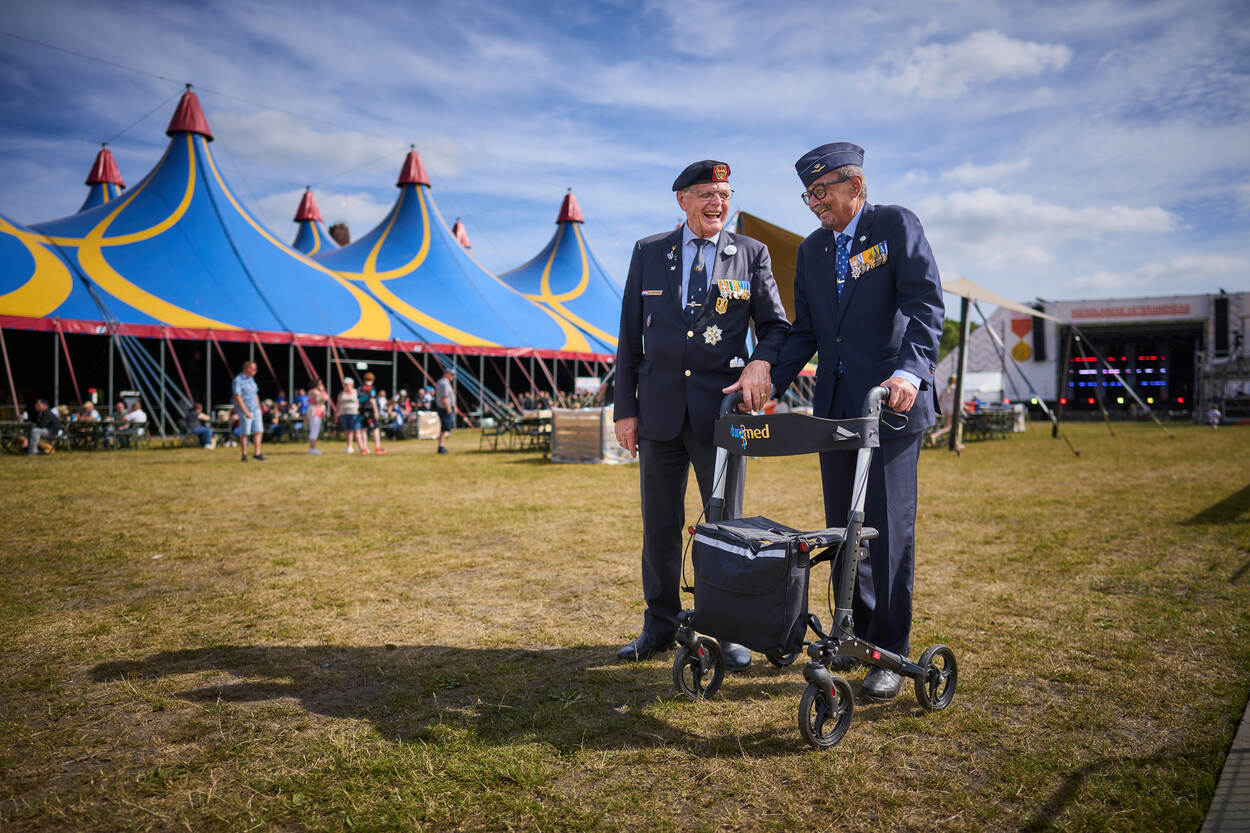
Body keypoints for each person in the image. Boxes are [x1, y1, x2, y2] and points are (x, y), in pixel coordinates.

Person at [765, 142, 944, 701]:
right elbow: (806, 332)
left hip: (888, 405)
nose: (814, 203)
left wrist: (911, 373)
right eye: (808, 194)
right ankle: (856, 636)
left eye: (822, 191)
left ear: (855, 186)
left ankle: (889, 652)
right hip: (837, 410)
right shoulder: (815, 249)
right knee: (847, 531)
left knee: (888, 534)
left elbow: (925, 303)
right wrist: (765, 379)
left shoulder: (894, 224)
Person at [613, 159, 790, 671]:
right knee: (659, 527)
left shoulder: (751, 254)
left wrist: (761, 361)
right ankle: (659, 625)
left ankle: (727, 629)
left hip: (722, 416)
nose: (718, 204)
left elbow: (775, 327)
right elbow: (628, 336)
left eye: (725, 194)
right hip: (659, 414)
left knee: (726, 527)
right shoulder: (649, 252)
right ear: (682, 200)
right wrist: (626, 410)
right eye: (708, 194)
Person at [233, 360, 265, 462]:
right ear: (247, 369)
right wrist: (245, 411)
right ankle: (244, 455)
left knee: (258, 431)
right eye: (253, 368)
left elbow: (255, 394)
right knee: (245, 432)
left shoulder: (251, 379)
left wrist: (259, 407)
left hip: (255, 409)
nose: (255, 370)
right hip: (246, 410)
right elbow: (238, 397)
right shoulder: (238, 380)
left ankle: (257, 453)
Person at [358, 372, 386, 455]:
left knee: (363, 429)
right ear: (373, 380)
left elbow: (359, 400)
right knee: (375, 429)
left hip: (362, 411)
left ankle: (364, 448)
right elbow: (373, 401)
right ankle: (377, 448)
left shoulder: (360, 388)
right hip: (370, 411)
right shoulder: (371, 389)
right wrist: (376, 412)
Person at [306, 379, 331, 454]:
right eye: (320, 384)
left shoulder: (312, 391)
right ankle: (312, 448)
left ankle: (312, 448)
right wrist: (322, 390)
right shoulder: (314, 391)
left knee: (314, 430)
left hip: (314, 412)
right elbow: (325, 398)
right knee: (314, 431)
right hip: (315, 413)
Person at [435, 367, 456, 454]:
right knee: (444, 428)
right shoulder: (444, 383)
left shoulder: (445, 383)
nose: (453, 376)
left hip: (445, 408)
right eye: (451, 374)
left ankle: (441, 446)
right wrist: (449, 410)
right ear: (447, 374)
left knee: (445, 428)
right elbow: (444, 398)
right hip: (444, 409)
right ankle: (441, 446)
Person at [338, 377, 361, 453]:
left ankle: (361, 447)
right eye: (344, 384)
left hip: (354, 413)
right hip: (343, 414)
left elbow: (360, 402)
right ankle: (349, 447)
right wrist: (336, 413)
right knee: (348, 431)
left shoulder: (356, 392)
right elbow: (338, 403)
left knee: (357, 431)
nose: (345, 385)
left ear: (352, 384)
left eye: (347, 384)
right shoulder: (342, 393)